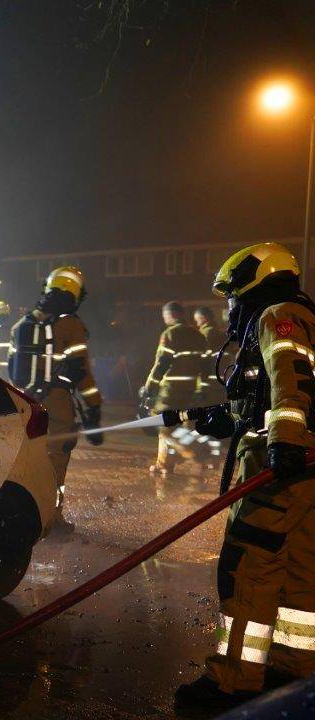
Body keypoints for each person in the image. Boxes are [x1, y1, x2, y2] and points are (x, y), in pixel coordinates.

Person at [177, 242, 315, 709]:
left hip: (278, 466)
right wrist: (229, 417)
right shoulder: (302, 314)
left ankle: (232, 682)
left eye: (231, 294)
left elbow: (290, 379)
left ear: (252, 282)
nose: (230, 306)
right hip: (306, 471)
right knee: (300, 569)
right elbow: (273, 391)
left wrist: (283, 441)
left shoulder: (276, 315)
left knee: (249, 569)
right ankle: (294, 671)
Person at [8, 266, 103, 534]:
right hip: (57, 404)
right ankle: (51, 521)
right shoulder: (70, 325)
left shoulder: (22, 324)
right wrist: (93, 407)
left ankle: (19, 515)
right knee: (56, 462)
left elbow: (12, 369)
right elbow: (81, 372)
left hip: (25, 402)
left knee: (25, 460)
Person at [141, 301, 208, 477]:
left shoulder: (170, 334)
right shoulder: (198, 335)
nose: (165, 319)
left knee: (165, 428)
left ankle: (193, 455)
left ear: (172, 315)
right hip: (191, 389)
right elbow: (205, 365)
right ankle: (166, 464)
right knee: (180, 427)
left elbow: (161, 364)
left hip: (171, 390)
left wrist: (149, 387)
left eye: (165, 316)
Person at [196, 305, 230, 405]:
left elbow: (202, 359)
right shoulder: (221, 333)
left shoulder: (204, 334)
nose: (197, 323)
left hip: (207, 383)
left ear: (204, 318)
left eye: (198, 320)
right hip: (221, 380)